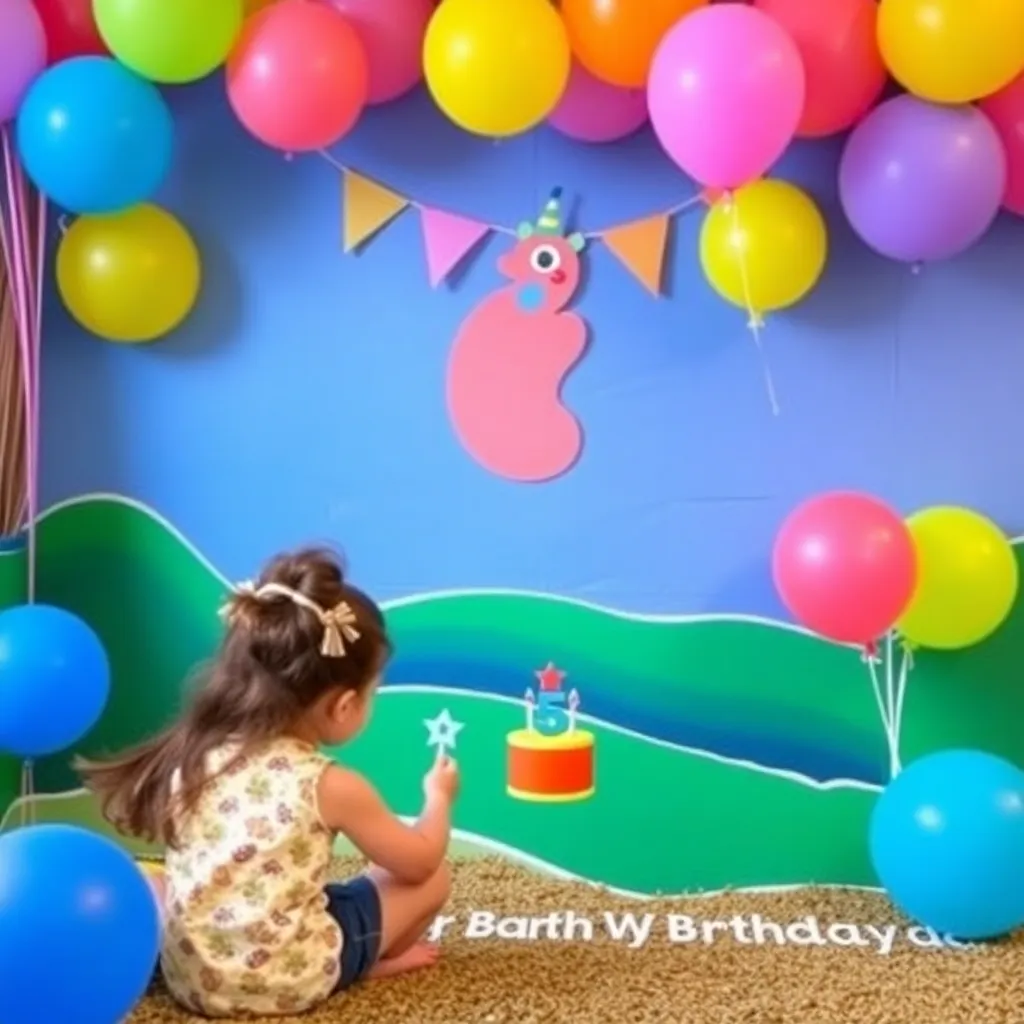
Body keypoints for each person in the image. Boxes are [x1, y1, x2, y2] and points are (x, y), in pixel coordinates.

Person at [78, 547, 457, 1018]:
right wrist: (438, 798)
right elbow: (419, 863)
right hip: (288, 982)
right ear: (343, 705)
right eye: (371, 691)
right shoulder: (330, 784)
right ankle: (361, 963)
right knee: (433, 880)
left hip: (189, 981)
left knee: (161, 880)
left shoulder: (194, 752)